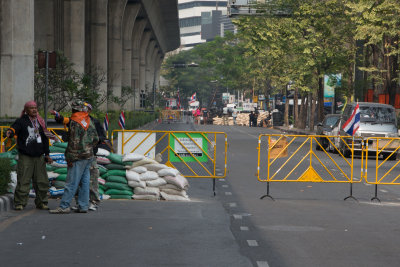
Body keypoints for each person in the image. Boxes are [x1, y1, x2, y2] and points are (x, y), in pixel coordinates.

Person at [51, 102, 105, 211]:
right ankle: (83, 206)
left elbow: (73, 143)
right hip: (89, 156)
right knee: (85, 183)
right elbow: (96, 139)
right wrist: (88, 147)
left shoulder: (75, 122)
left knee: (72, 182)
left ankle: (64, 206)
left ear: (74, 110)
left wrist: (69, 157)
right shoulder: (88, 120)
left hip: (77, 157)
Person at [6, 101, 53, 211]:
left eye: (35, 108)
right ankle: (20, 203)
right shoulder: (21, 121)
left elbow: (45, 139)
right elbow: (14, 128)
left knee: (42, 181)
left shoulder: (40, 122)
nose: (34, 110)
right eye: (31, 108)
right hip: (26, 157)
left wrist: (47, 154)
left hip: (39, 157)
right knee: (23, 180)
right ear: (26, 110)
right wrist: (10, 132)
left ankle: (42, 202)